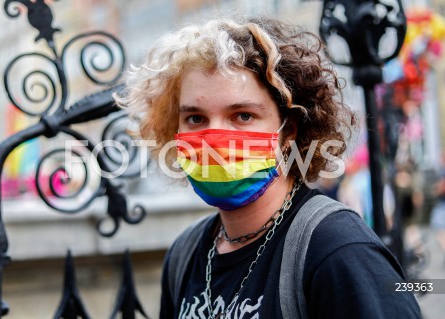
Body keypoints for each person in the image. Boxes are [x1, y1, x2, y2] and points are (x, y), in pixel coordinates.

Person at [115, 17, 421, 318]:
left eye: (243, 115)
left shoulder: (337, 251)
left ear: (288, 132)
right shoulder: (185, 255)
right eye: (195, 118)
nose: (214, 139)